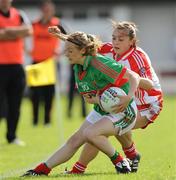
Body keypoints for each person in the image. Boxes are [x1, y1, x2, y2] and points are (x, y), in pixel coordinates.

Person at [21, 26, 153, 176]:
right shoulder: (79, 67)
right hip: (103, 110)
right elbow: (89, 98)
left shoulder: (100, 64)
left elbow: (133, 77)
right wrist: (59, 35)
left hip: (123, 111)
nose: (66, 54)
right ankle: (41, 170)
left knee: (91, 133)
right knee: (74, 140)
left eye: (70, 51)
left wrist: (129, 96)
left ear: (83, 51)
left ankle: (120, 162)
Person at [68, 21, 163, 174]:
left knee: (100, 129)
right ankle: (132, 155)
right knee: (111, 119)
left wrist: (132, 80)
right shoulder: (108, 50)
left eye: (121, 39)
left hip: (148, 104)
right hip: (126, 99)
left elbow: (150, 85)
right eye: (114, 38)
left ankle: (79, 169)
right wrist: (61, 36)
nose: (115, 42)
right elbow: (81, 46)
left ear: (132, 41)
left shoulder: (138, 57)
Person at [28, 0, 66, 126]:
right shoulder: (34, 24)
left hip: (51, 63)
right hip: (36, 62)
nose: (47, 12)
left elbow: (69, 39)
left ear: (53, 11)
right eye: (45, 9)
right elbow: (24, 38)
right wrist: (27, 51)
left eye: (49, 10)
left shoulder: (57, 23)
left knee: (49, 93)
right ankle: (35, 120)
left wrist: (60, 52)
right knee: (35, 93)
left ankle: (47, 121)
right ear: (41, 10)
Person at [0, 0, 32, 145]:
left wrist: (7, 31)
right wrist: (17, 32)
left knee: (15, 104)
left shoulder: (19, 15)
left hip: (17, 65)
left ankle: (12, 136)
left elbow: (28, 31)